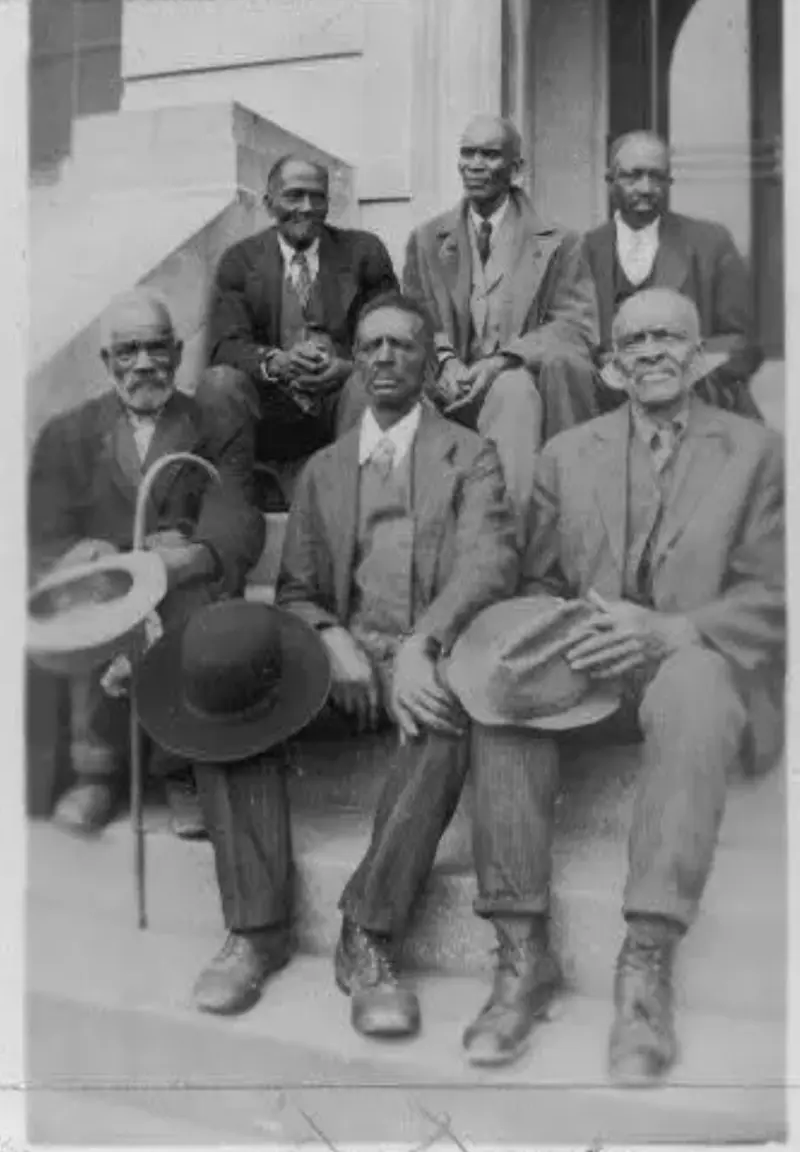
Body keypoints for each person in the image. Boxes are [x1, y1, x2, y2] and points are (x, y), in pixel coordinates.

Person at [150, 292, 519, 1030]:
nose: (385, 359)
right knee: (228, 687)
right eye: (372, 346)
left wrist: (423, 644)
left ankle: (369, 933)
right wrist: (329, 636)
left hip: (423, 657)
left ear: (427, 361)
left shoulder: (470, 455)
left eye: (403, 346)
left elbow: (491, 563)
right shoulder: (322, 469)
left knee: (448, 706)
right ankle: (256, 929)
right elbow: (297, 589)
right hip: (344, 660)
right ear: (356, 360)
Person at [513, 287, 784, 1085]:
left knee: (697, 680)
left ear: (700, 357)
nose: (654, 352)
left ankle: (646, 960)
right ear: (611, 365)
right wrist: (579, 629)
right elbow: (536, 580)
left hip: (695, 663)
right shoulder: (568, 453)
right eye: (635, 341)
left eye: (671, 338)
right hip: (594, 668)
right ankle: (518, 953)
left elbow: (777, 594)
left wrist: (672, 631)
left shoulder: (756, 452)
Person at [27, 290, 265, 837]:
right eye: (127, 352)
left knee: (191, 598)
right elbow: (39, 534)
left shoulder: (213, 422)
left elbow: (236, 514)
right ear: (107, 362)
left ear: (179, 353)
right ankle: (96, 772)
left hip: (180, 579)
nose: (142, 364)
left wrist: (189, 556)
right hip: (104, 587)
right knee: (89, 595)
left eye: (156, 349)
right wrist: (86, 558)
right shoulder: (67, 433)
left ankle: (181, 769)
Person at [403, 115, 598, 544]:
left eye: (490, 154)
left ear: (516, 167)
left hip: (515, 390)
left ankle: (505, 544)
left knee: (514, 392)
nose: (475, 164)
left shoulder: (560, 241)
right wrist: (447, 359)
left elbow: (576, 326)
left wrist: (504, 361)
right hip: (445, 388)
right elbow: (414, 318)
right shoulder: (425, 240)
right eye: (467, 153)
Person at [203, 155, 398, 504]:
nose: (307, 208)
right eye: (294, 196)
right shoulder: (240, 261)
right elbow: (225, 347)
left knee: (369, 379)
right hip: (271, 409)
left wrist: (348, 368)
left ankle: (357, 507)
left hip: (340, 406)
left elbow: (392, 338)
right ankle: (232, 503)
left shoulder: (364, 253)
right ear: (269, 203)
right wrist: (276, 362)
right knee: (219, 383)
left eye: (317, 197)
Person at [585, 129, 763, 417]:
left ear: (669, 182)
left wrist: (685, 367)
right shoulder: (582, 251)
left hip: (693, 398)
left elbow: (742, 342)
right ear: (610, 181)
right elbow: (574, 342)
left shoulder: (710, 243)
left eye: (657, 177)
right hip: (607, 404)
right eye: (633, 175)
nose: (645, 187)